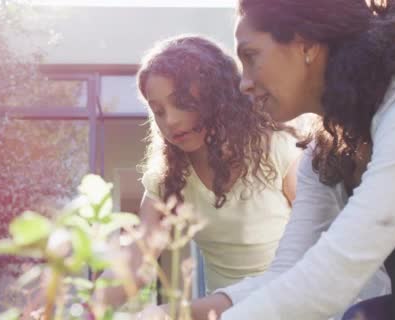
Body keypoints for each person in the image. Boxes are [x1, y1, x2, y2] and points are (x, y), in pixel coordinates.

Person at [141, 0, 395, 319]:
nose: (244, 84)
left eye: (251, 56)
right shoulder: (327, 150)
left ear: (305, 45)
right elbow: (289, 275)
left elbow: (332, 279)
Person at [92, 35, 301, 308]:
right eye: (158, 110)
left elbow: (315, 248)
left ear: (218, 96)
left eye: (181, 102)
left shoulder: (277, 150)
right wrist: (84, 309)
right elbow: (136, 259)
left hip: (291, 305)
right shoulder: (168, 178)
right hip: (223, 312)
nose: (171, 120)